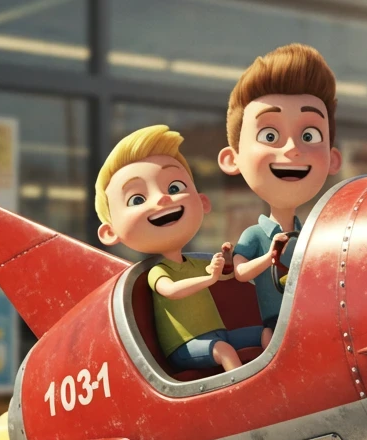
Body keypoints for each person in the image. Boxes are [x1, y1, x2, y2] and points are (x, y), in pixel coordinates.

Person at [94, 125, 258, 375]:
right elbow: (171, 291)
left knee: (265, 332)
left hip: (219, 335)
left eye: (173, 188)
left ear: (203, 202)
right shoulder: (158, 271)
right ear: (110, 231)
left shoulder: (194, 263)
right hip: (184, 347)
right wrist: (208, 278)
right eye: (137, 199)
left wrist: (224, 261)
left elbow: (225, 277)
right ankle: (242, 398)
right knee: (225, 351)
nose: (162, 199)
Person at [219, 44, 343, 348]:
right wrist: (269, 256)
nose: (291, 149)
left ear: (333, 158)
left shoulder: (313, 233)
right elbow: (241, 272)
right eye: (270, 136)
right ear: (232, 159)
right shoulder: (254, 235)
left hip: (316, 319)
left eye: (309, 136)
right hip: (276, 327)